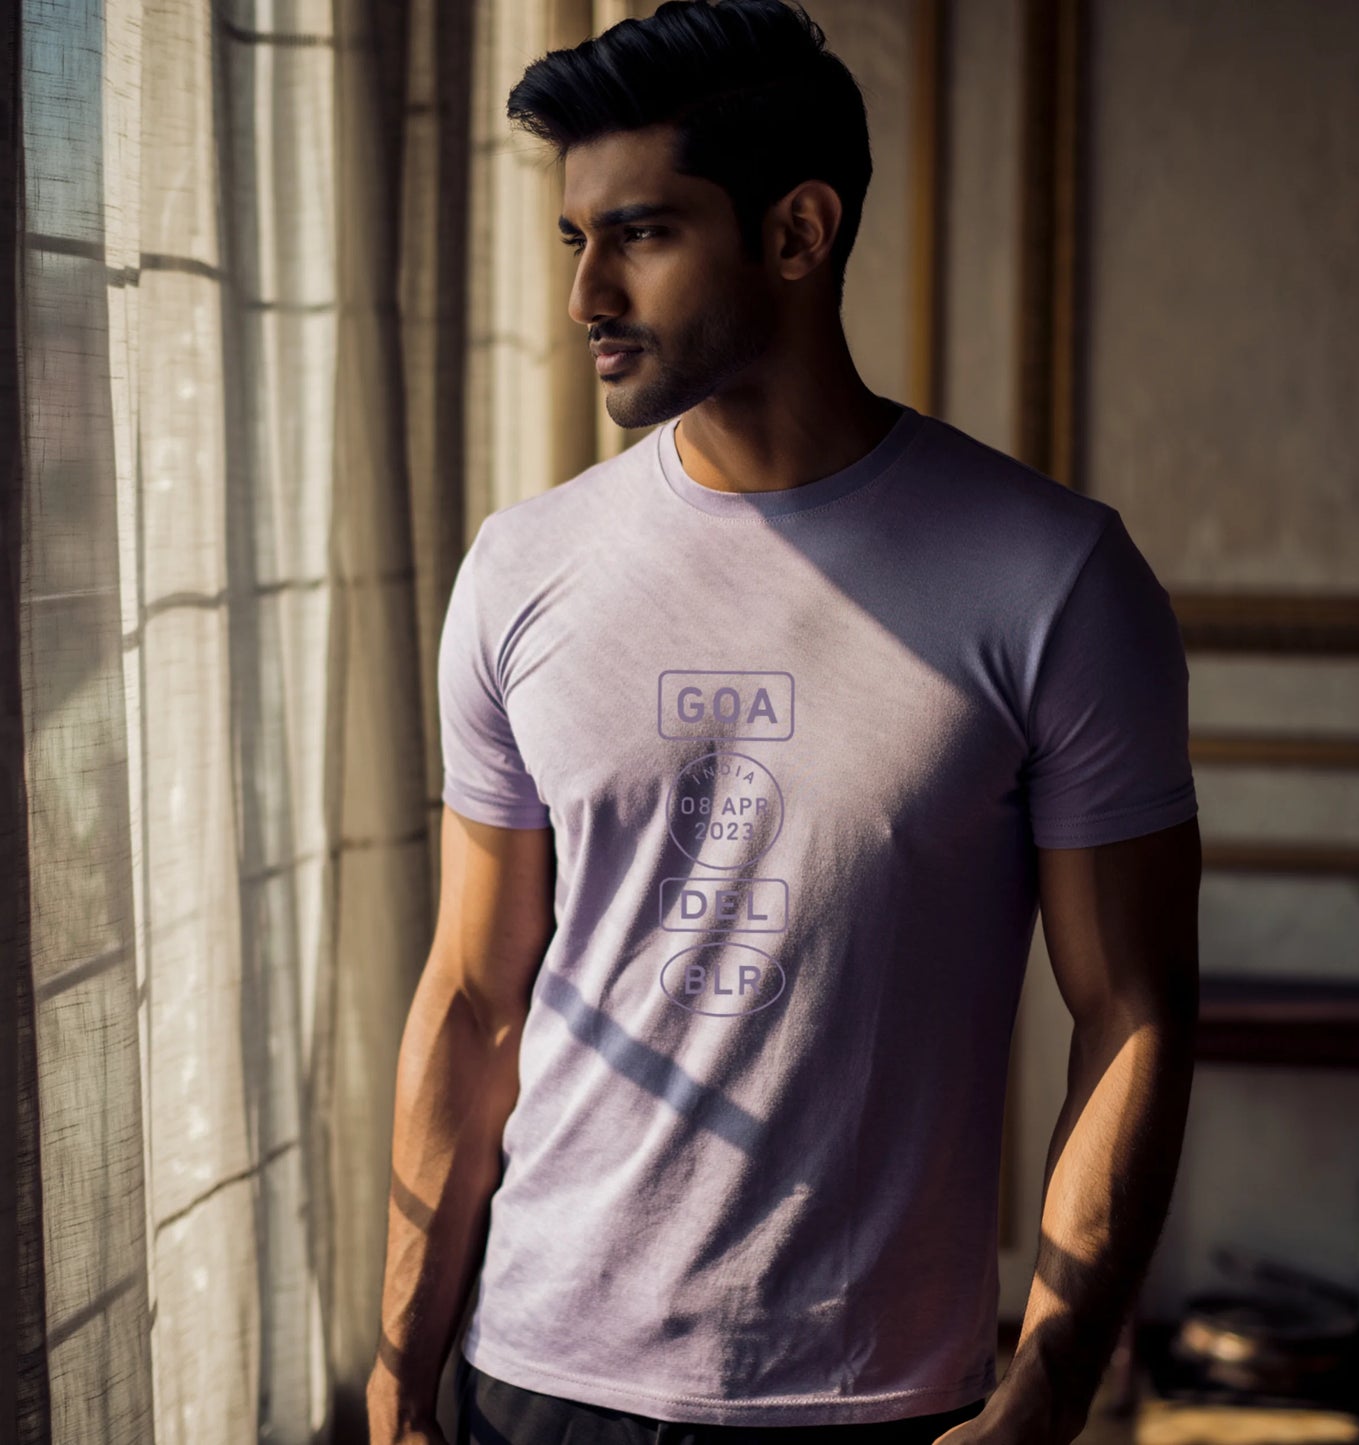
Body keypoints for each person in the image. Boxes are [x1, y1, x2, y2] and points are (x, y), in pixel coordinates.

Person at [365, 2, 1201, 1442]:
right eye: (576, 240)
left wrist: (1048, 1382)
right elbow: (470, 997)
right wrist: (397, 1370)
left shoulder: (1051, 577)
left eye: (639, 233)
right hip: (538, 1380)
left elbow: (1128, 1008)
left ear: (798, 234)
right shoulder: (520, 566)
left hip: (872, 1399)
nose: (586, 298)